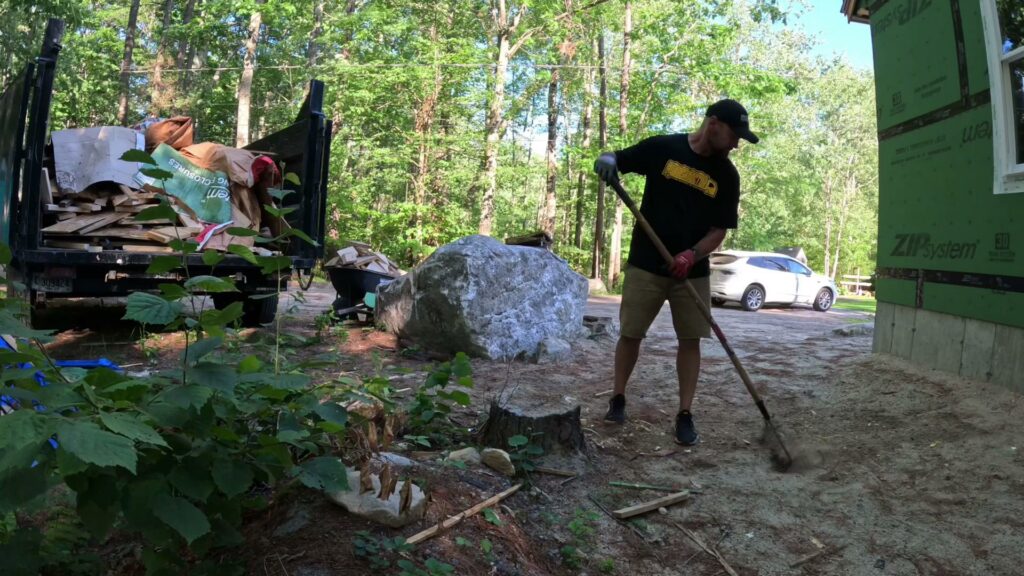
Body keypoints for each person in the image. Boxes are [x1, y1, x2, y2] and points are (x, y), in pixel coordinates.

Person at [592, 98, 758, 445]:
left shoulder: (727, 175)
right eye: (733, 134)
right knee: (631, 333)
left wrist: (691, 254)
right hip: (646, 264)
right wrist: (608, 160)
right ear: (713, 124)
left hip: (692, 272)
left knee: (690, 340)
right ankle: (618, 397)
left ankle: (685, 413)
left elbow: (718, 231)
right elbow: (618, 158)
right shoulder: (663, 148)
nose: (736, 143)